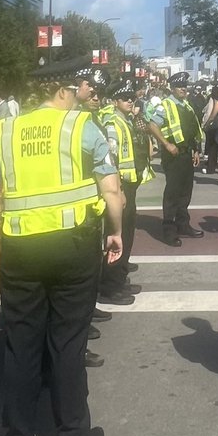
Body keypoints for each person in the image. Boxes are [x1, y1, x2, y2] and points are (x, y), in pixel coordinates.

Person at [0, 79, 123, 436]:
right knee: (69, 342)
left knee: (21, 344)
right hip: (73, 245)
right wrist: (115, 231)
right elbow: (111, 189)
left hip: (20, 248)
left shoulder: (6, 131)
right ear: (61, 91)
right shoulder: (81, 126)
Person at [98, 82, 149, 300]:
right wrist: (119, 189)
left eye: (131, 97)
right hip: (121, 186)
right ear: (115, 101)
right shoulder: (113, 123)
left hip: (129, 184)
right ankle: (111, 286)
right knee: (117, 234)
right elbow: (111, 159)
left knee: (126, 233)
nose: (130, 101)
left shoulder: (126, 120)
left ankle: (119, 278)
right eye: (125, 98)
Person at [148, 72, 204, 246]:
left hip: (187, 154)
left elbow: (191, 130)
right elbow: (152, 125)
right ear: (172, 88)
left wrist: (195, 150)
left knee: (186, 192)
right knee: (173, 193)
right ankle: (169, 231)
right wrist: (166, 144)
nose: (183, 89)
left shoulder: (186, 105)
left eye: (185, 86)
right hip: (173, 155)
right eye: (179, 86)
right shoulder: (165, 105)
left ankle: (183, 225)